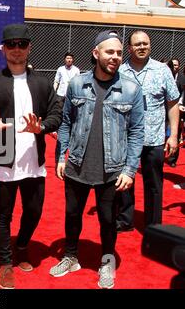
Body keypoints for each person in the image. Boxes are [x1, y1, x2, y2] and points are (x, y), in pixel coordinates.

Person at [50, 30, 144, 289]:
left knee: (106, 220)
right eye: (109, 52)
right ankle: (71, 256)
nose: (115, 57)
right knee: (72, 215)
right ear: (96, 53)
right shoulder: (77, 84)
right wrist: (61, 155)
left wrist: (130, 169)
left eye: (117, 52)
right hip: (76, 165)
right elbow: (66, 121)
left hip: (112, 170)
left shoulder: (132, 89)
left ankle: (106, 262)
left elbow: (137, 132)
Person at [0, 23, 62, 289]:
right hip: (4, 160)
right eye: (11, 45)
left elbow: (57, 113)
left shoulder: (43, 83)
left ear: (29, 48)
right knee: (3, 215)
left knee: (34, 211)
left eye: (22, 44)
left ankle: (22, 246)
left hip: (35, 161)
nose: (16, 50)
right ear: (3, 49)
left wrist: (42, 127)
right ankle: (6, 262)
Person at [117, 30, 180, 231]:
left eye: (145, 43)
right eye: (137, 44)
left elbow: (172, 103)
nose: (142, 47)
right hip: (125, 138)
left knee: (154, 184)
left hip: (154, 138)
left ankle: (153, 225)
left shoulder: (162, 70)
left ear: (150, 45)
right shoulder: (120, 71)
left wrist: (174, 135)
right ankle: (125, 220)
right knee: (125, 180)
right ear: (130, 48)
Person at [165, 58, 184, 167]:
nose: (174, 67)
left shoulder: (182, 79)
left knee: (174, 133)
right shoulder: (164, 77)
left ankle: (172, 159)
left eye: (176, 65)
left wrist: (181, 105)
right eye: (173, 65)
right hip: (163, 111)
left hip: (178, 110)